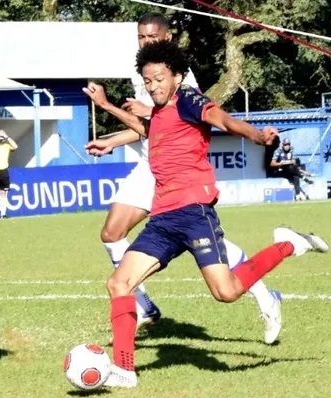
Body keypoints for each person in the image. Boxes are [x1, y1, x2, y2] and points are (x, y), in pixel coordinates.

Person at [87, 40, 328, 389]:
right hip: (163, 218)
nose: (153, 85)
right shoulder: (160, 111)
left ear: (177, 76)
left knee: (226, 292)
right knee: (118, 283)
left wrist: (257, 135)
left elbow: (222, 119)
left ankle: (287, 245)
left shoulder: (188, 99)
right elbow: (149, 131)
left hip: (194, 213)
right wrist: (107, 105)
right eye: (147, 80)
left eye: (159, 78)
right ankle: (125, 370)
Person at [83, 12, 283, 345]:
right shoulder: (147, 72)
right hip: (151, 163)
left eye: (153, 37)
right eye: (141, 38)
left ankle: (265, 294)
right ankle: (140, 304)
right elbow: (152, 129)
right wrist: (111, 139)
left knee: (201, 242)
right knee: (112, 231)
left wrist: (257, 136)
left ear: (170, 38)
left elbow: (186, 121)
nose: (147, 42)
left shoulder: (181, 80)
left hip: (176, 171)